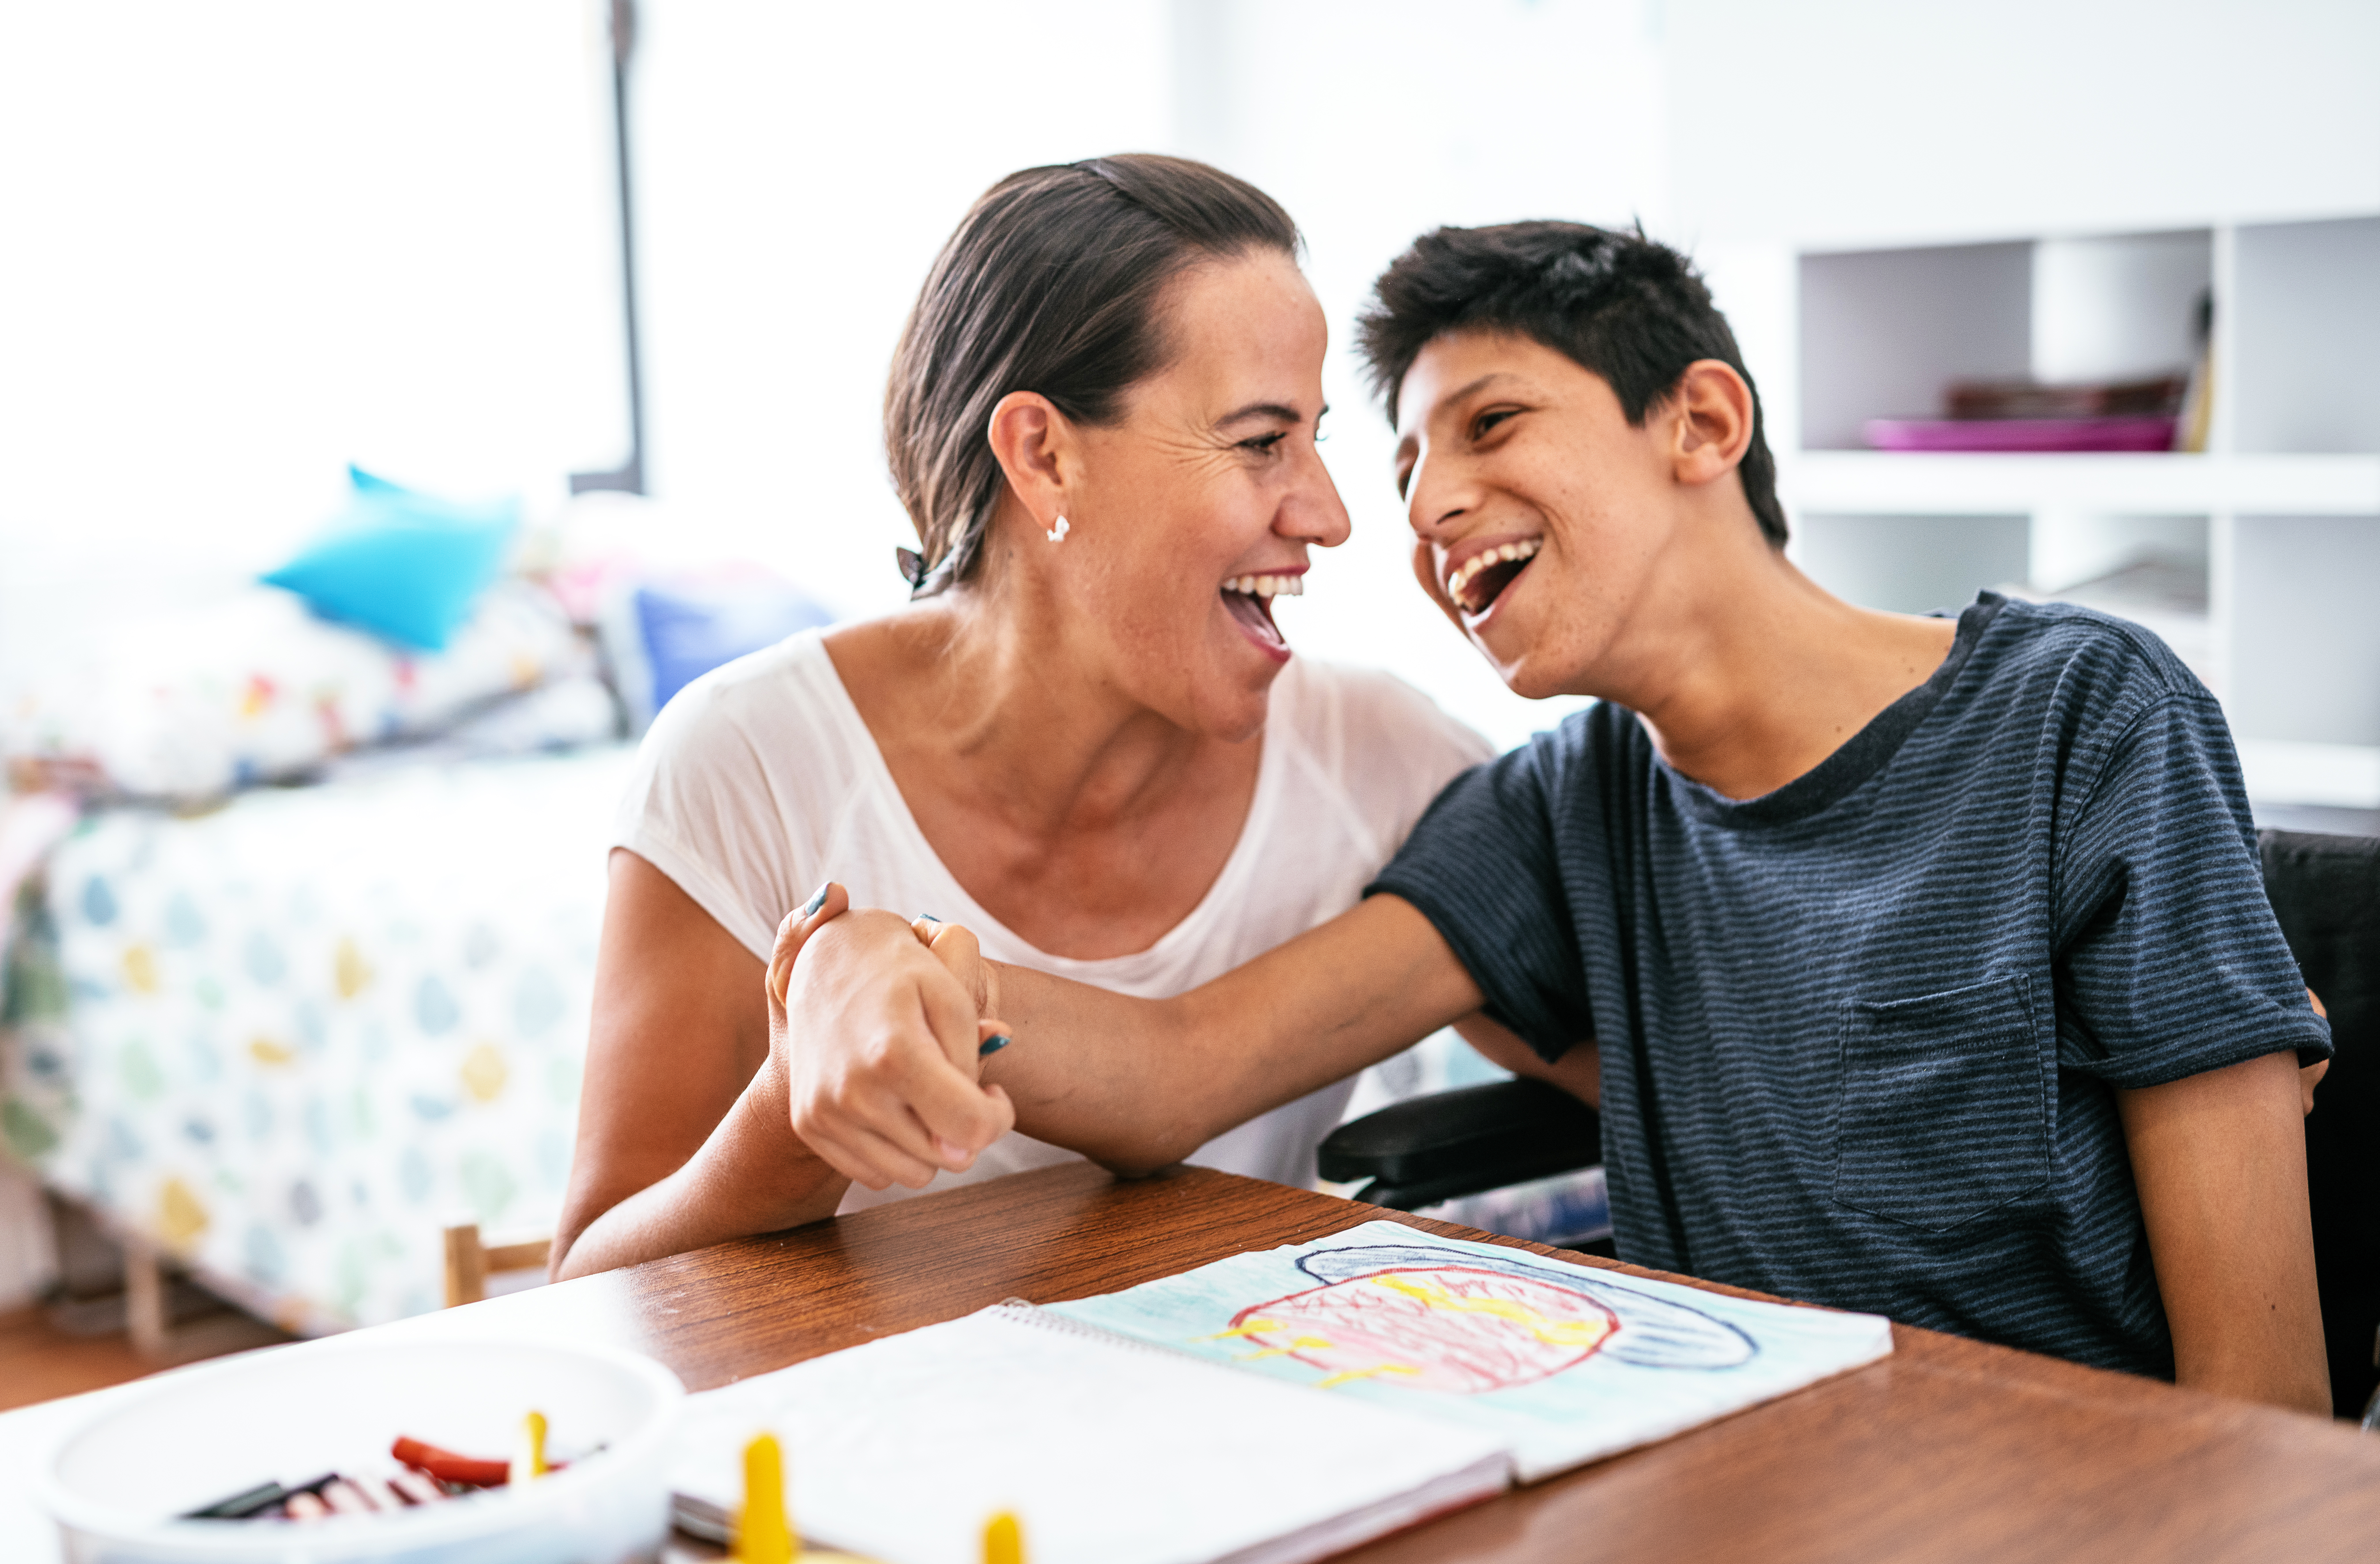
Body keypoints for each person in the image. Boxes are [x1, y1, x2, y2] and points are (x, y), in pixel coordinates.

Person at [770, 222, 2335, 1413]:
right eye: (1404, 469)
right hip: (1729, 1483)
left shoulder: (2084, 717)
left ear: (1703, 425)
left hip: (2067, 1500)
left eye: (1493, 425)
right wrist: (891, 970)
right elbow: (1182, 1068)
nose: (1428, 507)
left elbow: (2263, 1407)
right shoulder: (1570, 803)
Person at [548, 156, 1491, 1281]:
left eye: (1316, 436)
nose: (1332, 515)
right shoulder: (745, 764)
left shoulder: (1380, 757)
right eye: (1258, 441)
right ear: (1044, 455)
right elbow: (593, 1291)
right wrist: (796, 1110)